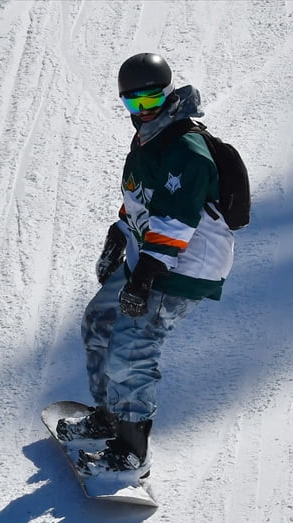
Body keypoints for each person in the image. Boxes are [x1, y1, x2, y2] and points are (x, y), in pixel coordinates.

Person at [58, 53, 236, 478]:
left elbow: (177, 222)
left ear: (169, 92)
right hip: (151, 255)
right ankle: (109, 416)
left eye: (152, 100)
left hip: (184, 266)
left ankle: (132, 452)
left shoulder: (186, 149)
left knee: (132, 349)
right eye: (134, 104)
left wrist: (141, 282)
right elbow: (143, 196)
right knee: (98, 321)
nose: (145, 110)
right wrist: (120, 230)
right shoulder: (149, 138)